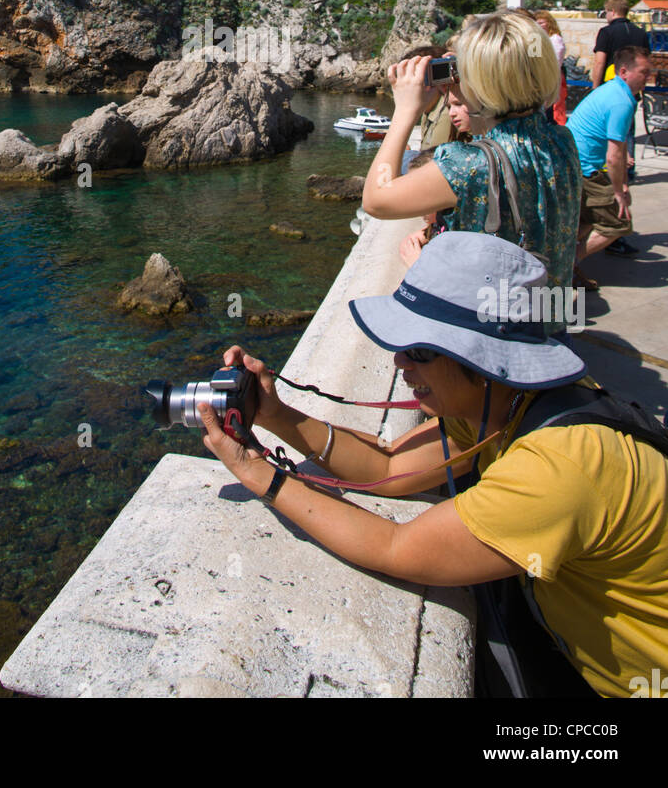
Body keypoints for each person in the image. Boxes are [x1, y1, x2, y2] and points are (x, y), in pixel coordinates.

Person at [199, 232, 668, 699]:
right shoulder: (508, 400)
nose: (400, 361)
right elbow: (388, 466)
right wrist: (276, 415)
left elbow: (395, 547)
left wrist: (257, 472)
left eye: (421, 350)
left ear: (484, 361)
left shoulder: (557, 468)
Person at [362, 10, 582, 297]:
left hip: (490, 331)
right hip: (548, 321)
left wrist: (405, 110)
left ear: (481, 87)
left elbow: (376, 201)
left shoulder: (468, 164)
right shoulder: (562, 140)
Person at [567, 46, 655, 285]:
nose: (648, 77)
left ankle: (565, 266)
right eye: (644, 72)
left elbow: (618, 145)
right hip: (585, 168)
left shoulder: (615, 90)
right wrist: (619, 191)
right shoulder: (621, 101)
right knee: (617, 222)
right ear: (624, 71)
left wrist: (622, 176)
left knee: (587, 219)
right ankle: (568, 266)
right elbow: (614, 156)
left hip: (576, 162)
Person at [591, 0, 650, 88]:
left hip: (611, 83)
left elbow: (599, 62)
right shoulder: (641, 33)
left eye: (606, 12)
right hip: (633, 84)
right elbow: (647, 60)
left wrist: (595, 88)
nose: (606, 15)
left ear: (613, 12)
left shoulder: (606, 32)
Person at [534, 10, 567, 125]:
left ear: (549, 23)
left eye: (542, 23)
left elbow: (556, 61)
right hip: (540, 78)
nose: (539, 25)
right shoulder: (537, 38)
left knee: (554, 109)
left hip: (551, 76)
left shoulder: (555, 39)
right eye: (537, 23)